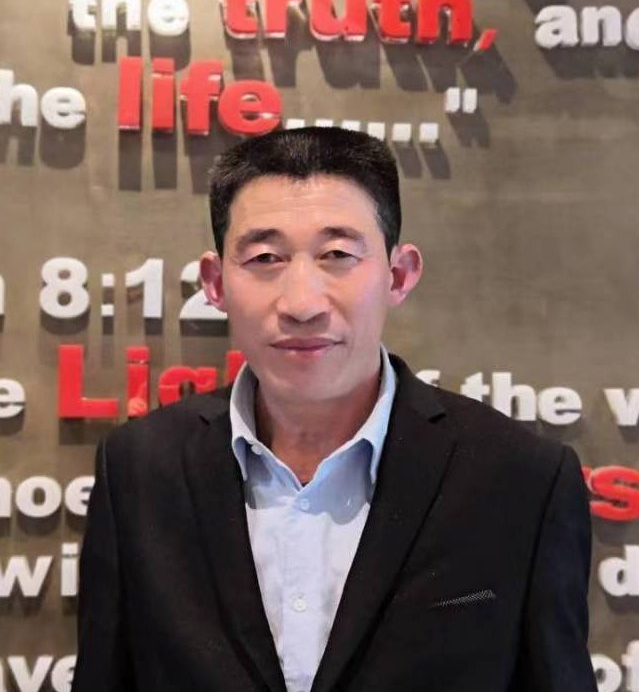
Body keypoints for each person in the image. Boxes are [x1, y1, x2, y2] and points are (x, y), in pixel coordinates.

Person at [71, 127, 597, 692]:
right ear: (216, 283)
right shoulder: (138, 470)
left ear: (398, 275)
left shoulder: (521, 480)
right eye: (265, 258)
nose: (302, 303)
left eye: (338, 255)